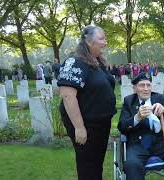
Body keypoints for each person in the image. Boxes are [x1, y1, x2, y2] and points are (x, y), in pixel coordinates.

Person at [57, 25, 116, 180]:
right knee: (87, 165)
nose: (105, 42)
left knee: (96, 164)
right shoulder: (75, 62)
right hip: (86, 124)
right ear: (89, 42)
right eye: (102, 38)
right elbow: (68, 96)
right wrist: (79, 127)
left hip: (101, 124)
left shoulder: (96, 62)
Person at [118, 72, 164, 180]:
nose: (146, 89)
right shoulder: (129, 101)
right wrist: (136, 118)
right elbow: (122, 126)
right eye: (142, 85)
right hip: (138, 145)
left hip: (162, 142)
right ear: (134, 88)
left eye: (148, 85)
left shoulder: (161, 99)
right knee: (132, 164)